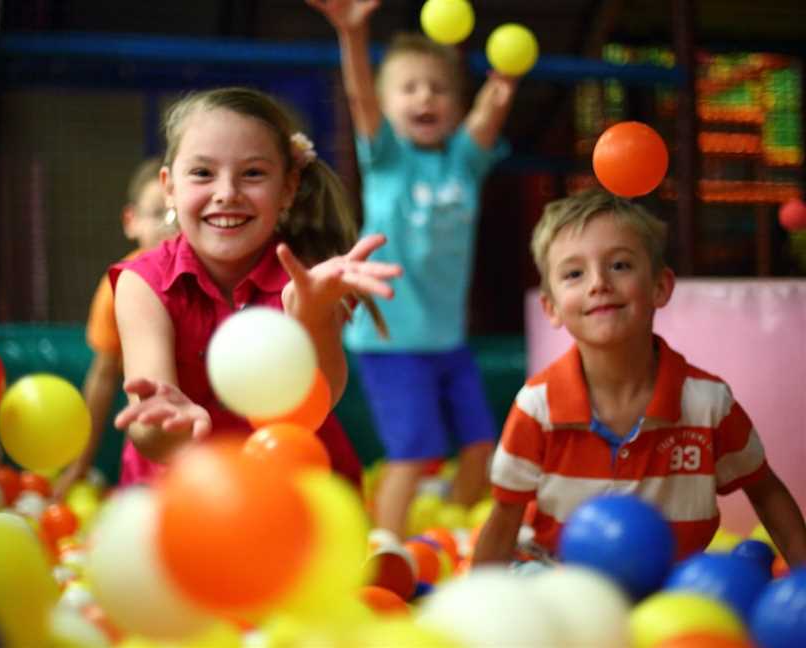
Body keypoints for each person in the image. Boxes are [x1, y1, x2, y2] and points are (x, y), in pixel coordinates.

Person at [473, 188, 806, 567]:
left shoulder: (706, 402)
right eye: (574, 273)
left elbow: (765, 490)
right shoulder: (538, 407)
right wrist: (477, 605)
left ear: (659, 287)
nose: (598, 283)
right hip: (559, 576)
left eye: (620, 265)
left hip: (671, 584)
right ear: (551, 308)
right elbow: (504, 518)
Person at [109, 86, 402, 489]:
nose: (227, 193)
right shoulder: (142, 283)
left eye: (252, 174)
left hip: (288, 488)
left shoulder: (304, 282)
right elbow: (147, 432)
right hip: (180, 495)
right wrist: (167, 423)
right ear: (169, 186)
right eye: (202, 173)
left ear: (287, 188)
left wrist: (313, 318)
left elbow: (318, 404)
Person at [309, 0, 519, 538]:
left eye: (439, 88)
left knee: (481, 448)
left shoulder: (464, 162)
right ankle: (385, 549)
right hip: (391, 340)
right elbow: (358, 94)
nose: (425, 96)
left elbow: (489, 114)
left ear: (455, 104)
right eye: (409, 88)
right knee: (412, 452)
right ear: (386, 102)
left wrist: (503, 83)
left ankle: (444, 533)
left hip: (447, 339)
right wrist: (354, 36)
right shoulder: (387, 159)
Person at [54, 158, 175, 498]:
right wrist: (79, 466)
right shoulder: (121, 283)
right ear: (130, 221)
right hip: (151, 442)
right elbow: (103, 376)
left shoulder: (209, 276)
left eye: (176, 215)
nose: (170, 227)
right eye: (157, 214)